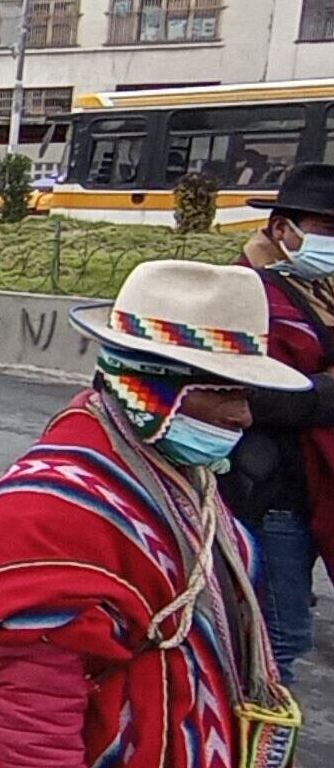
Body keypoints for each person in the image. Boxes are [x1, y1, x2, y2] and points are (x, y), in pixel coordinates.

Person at [0, 260, 305, 768]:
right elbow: (33, 708)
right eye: (224, 392)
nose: (243, 415)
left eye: (246, 393)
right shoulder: (46, 510)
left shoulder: (175, 473)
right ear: (151, 388)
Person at [223, 162, 334, 685]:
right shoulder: (244, 292)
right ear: (281, 229)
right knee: (281, 634)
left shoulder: (322, 293)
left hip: (317, 484)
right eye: (327, 231)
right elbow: (245, 390)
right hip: (272, 490)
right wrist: (322, 395)